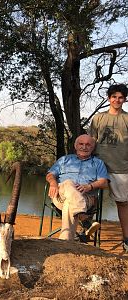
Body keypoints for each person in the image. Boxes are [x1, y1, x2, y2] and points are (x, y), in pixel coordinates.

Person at [46, 134, 109, 241]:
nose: (84, 147)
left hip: (86, 198)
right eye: (81, 144)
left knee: (69, 205)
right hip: (60, 196)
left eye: (88, 145)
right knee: (68, 183)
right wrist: (53, 183)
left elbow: (104, 182)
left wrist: (89, 186)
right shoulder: (64, 160)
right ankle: (84, 219)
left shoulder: (98, 163)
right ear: (75, 146)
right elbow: (50, 175)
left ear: (93, 147)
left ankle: (64, 241)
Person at [89, 83, 128, 252]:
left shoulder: (127, 119)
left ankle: (126, 238)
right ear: (109, 98)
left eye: (120, 97)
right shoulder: (98, 118)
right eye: (114, 97)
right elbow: (90, 142)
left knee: (123, 203)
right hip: (98, 167)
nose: (117, 100)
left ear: (125, 99)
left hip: (121, 168)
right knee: (88, 199)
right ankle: (85, 231)